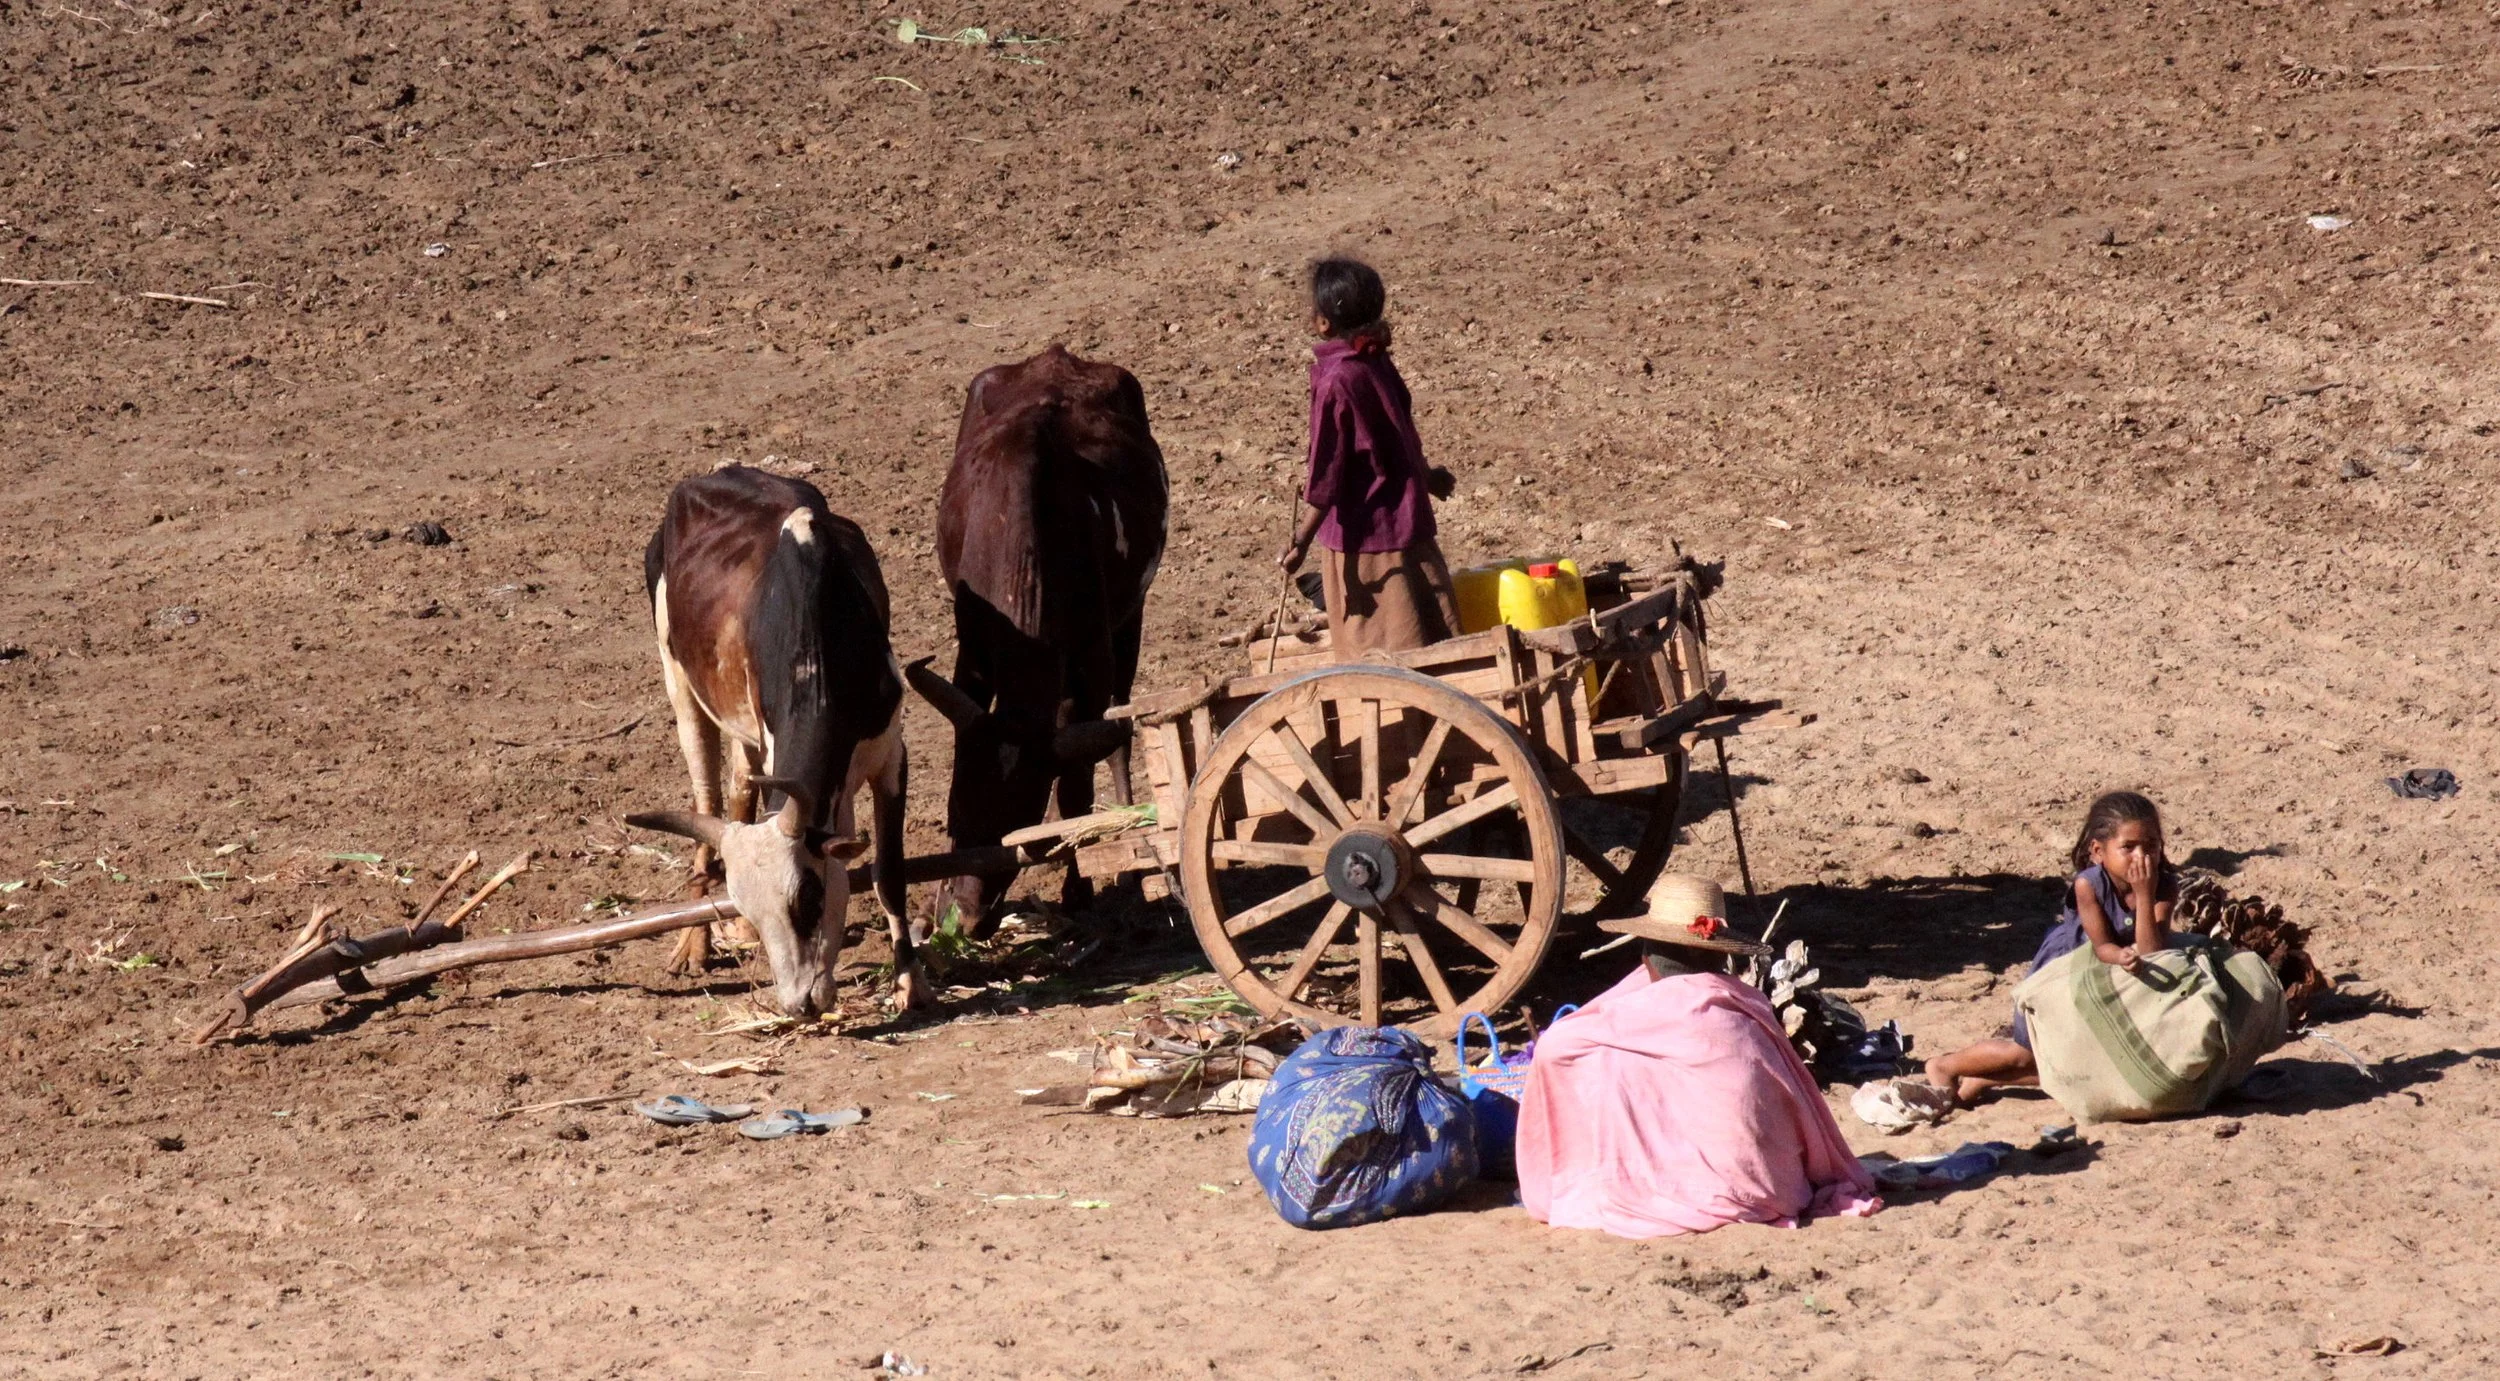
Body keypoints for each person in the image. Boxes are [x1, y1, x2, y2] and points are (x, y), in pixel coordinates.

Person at [1514, 874, 1882, 1239]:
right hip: (1778, 1188)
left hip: (1715, 1194)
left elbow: (1554, 1050)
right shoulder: (1745, 1009)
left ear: (1648, 955)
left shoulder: (1644, 1012)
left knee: (1612, 1069)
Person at [1923, 790, 2178, 1105]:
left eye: (2150, 846)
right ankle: (1945, 1065)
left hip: (2120, 974)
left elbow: (2153, 952)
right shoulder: (2088, 885)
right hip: (2068, 971)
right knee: (2025, 1053)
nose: (2142, 858)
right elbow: (2101, 949)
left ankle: (1983, 1077)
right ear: (2098, 851)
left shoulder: (2163, 885)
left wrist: (2144, 894)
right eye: (2128, 847)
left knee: (2097, 1063)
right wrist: (2132, 928)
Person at [1274, 256, 1461, 655]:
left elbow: (1327, 476)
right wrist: (1428, 478)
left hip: (1368, 548)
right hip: (1410, 530)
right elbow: (1401, 435)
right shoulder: (1376, 363)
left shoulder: (1336, 381)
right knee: (1432, 635)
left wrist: (1300, 541)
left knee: (1382, 650)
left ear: (1323, 323)